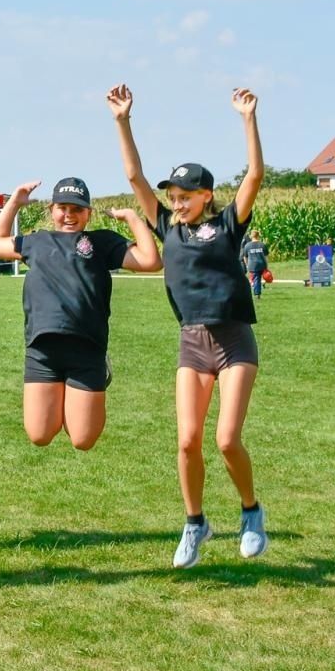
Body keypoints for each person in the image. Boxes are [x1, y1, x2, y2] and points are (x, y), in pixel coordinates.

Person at [109, 83, 268, 567]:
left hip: (234, 339)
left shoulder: (227, 226)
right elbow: (134, 175)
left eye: (185, 196)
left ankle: (251, 510)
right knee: (186, 440)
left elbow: (255, 175)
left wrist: (247, 119)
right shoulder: (166, 226)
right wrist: (122, 120)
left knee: (225, 439)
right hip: (193, 342)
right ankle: (195, 523)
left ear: (206, 196)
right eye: (172, 197)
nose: (177, 203)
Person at [0, 176, 161, 451]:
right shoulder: (36, 242)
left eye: (77, 209)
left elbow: (151, 261)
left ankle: (84, 393)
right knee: (39, 435)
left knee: (82, 439)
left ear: (88, 213)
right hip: (43, 350)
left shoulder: (100, 242)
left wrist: (132, 219)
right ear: (52, 210)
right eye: (63, 208)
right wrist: (15, 203)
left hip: (87, 350)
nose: (69, 215)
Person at [241, 229, 269, 299]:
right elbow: (266, 257)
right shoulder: (262, 244)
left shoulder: (247, 245)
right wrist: (266, 265)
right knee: (260, 278)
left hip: (252, 265)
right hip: (261, 264)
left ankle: (257, 293)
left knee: (256, 278)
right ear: (258, 236)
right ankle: (258, 290)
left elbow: (245, 257)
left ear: (251, 236)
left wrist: (247, 265)